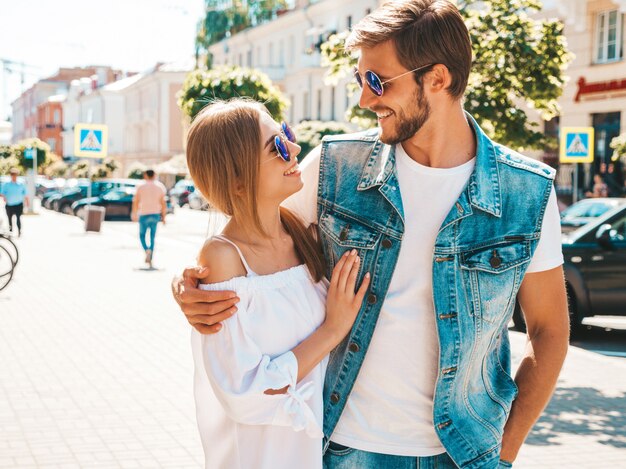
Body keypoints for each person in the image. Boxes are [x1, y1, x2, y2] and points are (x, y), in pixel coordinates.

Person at [173, 2, 570, 468]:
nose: (364, 99)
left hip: (465, 455)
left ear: (437, 79)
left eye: (378, 81)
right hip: (343, 449)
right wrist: (191, 285)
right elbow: (248, 238)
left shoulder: (528, 193)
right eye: (360, 80)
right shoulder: (332, 168)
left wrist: (504, 452)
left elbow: (548, 331)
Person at [185, 98, 370, 469]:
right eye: (278, 146)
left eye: (286, 133)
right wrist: (333, 329)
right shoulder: (223, 258)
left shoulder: (301, 233)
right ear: (237, 179)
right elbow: (246, 395)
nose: (295, 148)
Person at [131, 169, 166, 267]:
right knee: (152, 237)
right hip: (155, 214)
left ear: (145, 175)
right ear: (154, 175)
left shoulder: (140, 186)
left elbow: (136, 201)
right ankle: (151, 257)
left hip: (143, 214)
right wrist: (164, 217)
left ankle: (146, 250)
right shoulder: (160, 187)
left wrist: (134, 213)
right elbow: (163, 203)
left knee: (142, 235)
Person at [0, 168, 29, 237]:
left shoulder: (21, 184)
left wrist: (27, 203)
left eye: (15, 175)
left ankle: (19, 231)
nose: (14, 176)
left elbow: (26, 194)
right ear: (11, 175)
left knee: (18, 218)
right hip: (9, 204)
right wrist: (4, 197)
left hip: (18, 204)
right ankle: (10, 232)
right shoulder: (6, 185)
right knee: (9, 219)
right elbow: (2, 193)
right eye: (12, 175)